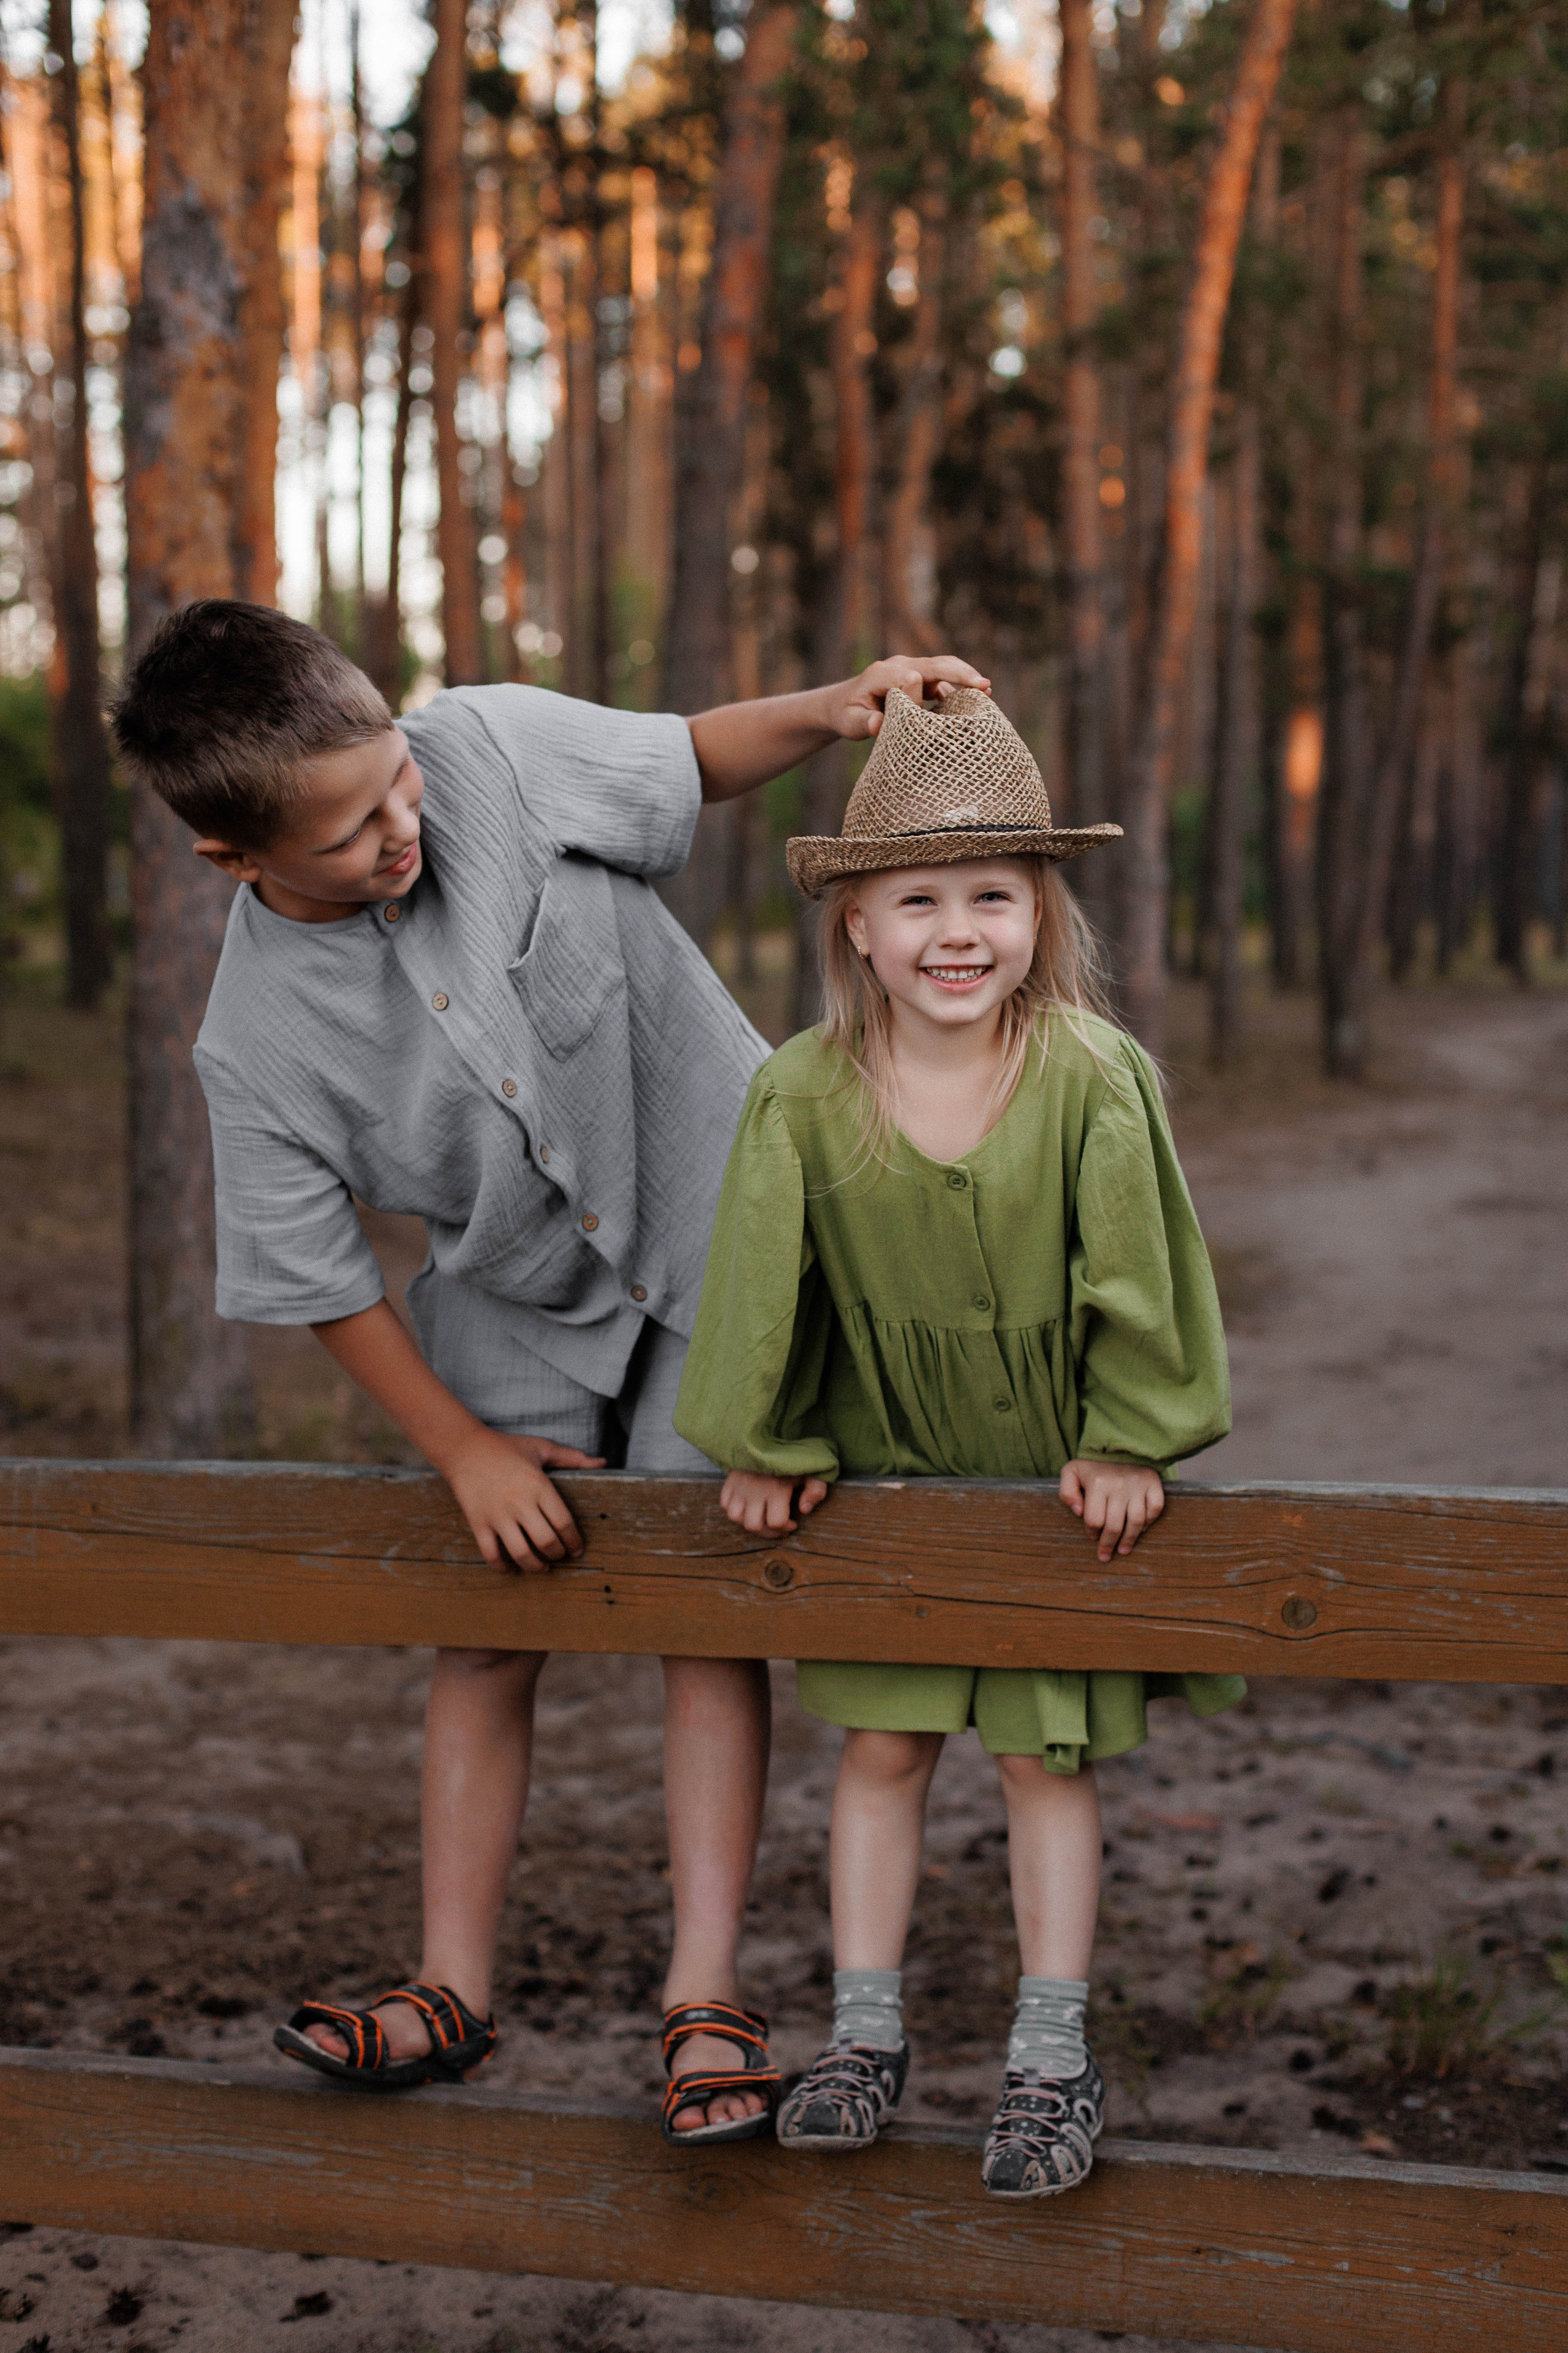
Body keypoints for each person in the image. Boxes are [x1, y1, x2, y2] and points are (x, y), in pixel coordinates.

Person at [109, 600, 989, 2143]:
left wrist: (834, 701)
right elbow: (317, 1279)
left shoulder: (491, 746)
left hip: (723, 1231)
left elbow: (687, 758)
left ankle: (703, 1993)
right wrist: (461, 1448)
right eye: (346, 831)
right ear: (234, 862)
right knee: (486, 1627)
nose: (400, 828)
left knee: (700, 1607)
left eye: (394, 781)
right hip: (507, 1287)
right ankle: (452, 1982)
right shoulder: (250, 1042)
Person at [674, 684, 1240, 2195]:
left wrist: (1130, 1437)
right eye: (915, 896)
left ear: (1039, 913)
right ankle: (865, 2033)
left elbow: (1142, 1273)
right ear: (853, 923)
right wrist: (767, 1434)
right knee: (880, 1748)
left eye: (992, 893)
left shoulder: (1085, 1075)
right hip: (887, 1473)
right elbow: (757, 1283)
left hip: (1058, 1481)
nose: (955, 931)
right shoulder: (800, 1090)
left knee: (1042, 1765)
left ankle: (1050, 2058)